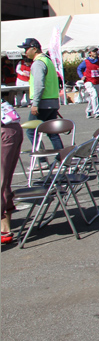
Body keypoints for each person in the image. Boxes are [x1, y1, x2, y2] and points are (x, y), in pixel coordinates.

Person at [17, 38, 64, 151]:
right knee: (52, 132)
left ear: (34, 48)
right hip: (52, 101)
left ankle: (41, 159)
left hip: (42, 103)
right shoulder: (48, 61)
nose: (25, 52)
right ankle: (63, 158)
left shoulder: (38, 63)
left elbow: (39, 85)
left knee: (31, 131)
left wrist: (35, 103)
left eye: (26, 49)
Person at [1, 100, 24, 244]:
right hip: (11, 127)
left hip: (5, 130)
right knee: (4, 181)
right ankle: (4, 228)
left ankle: (4, 229)